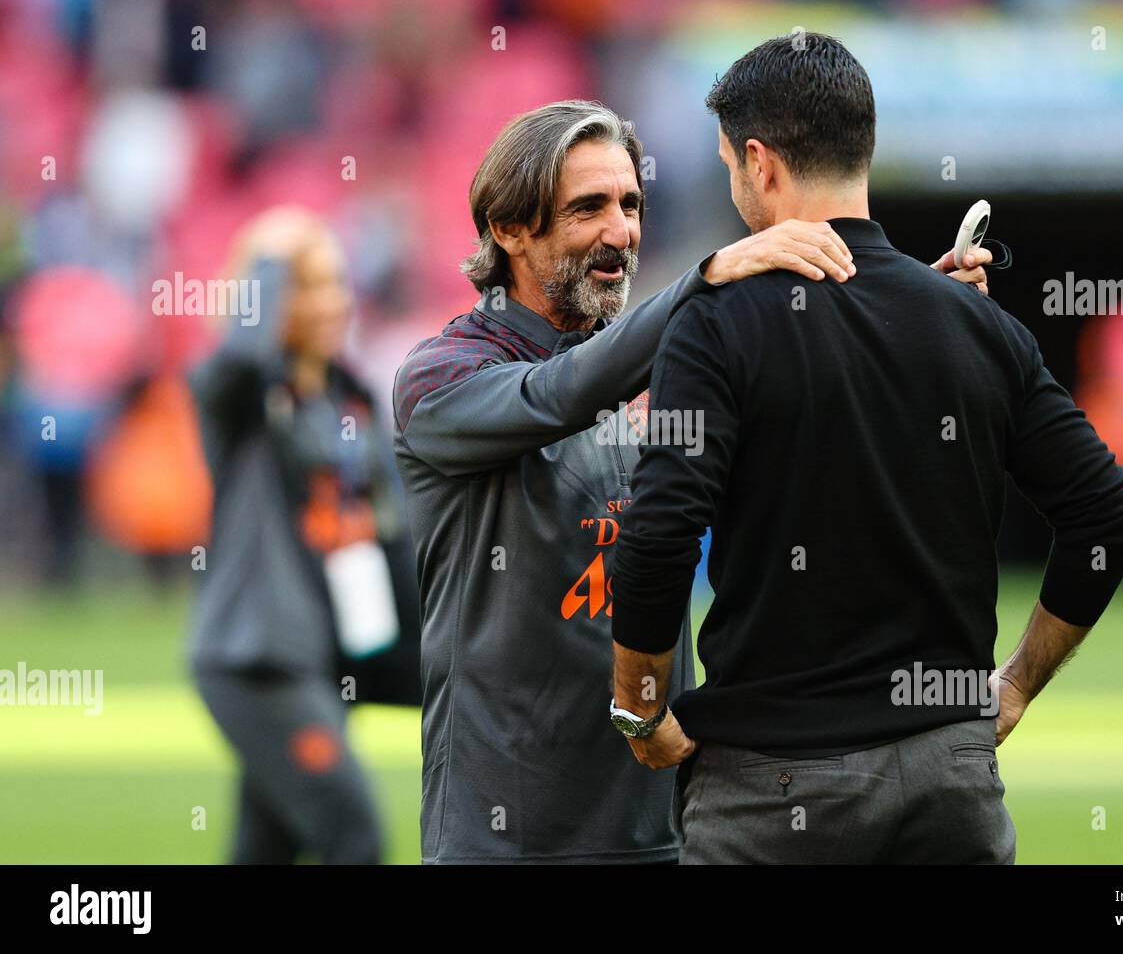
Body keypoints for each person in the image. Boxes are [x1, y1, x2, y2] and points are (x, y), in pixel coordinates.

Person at [391, 99, 992, 864]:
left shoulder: (647, 366)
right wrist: (702, 283)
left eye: (631, 204)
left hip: (666, 817)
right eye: (588, 209)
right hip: (505, 832)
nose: (622, 232)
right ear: (508, 228)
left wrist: (917, 323)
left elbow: (803, 446)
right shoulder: (440, 379)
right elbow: (556, 396)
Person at [608, 34, 1123, 864]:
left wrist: (639, 707)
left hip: (773, 788)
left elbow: (659, 533)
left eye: (727, 164)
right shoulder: (975, 321)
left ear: (760, 162)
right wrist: (1015, 685)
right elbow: (1107, 518)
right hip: (952, 781)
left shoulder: (716, 320)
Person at [189, 207, 420, 864]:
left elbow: (387, 534)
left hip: (331, 661)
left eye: (334, 282)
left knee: (264, 851)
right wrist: (271, 256)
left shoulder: (351, 400)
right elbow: (239, 353)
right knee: (353, 834)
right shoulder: (237, 396)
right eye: (305, 285)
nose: (328, 302)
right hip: (258, 661)